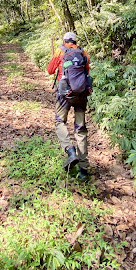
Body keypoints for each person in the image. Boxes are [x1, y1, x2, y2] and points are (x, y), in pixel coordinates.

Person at [46, 31, 90, 181]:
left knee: (59, 122)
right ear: (75, 41)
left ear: (64, 41)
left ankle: (70, 150)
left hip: (65, 95)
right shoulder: (83, 52)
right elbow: (87, 72)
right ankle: (83, 170)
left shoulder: (60, 51)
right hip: (81, 95)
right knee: (81, 129)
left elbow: (50, 70)